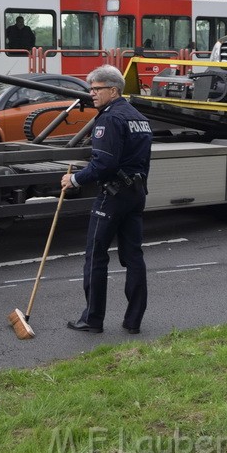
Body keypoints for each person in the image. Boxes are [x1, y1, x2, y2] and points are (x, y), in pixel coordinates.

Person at [61, 64, 153, 334]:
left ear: (113, 91)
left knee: (96, 257)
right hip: (136, 194)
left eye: (96, 89)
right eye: (90, 89)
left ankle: (92, 319)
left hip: (112, 196)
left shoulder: (109, 118)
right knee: (133, 256)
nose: (92, 94)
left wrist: (75, 179)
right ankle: (133, 321)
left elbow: (104, 164)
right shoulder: (139, 117)